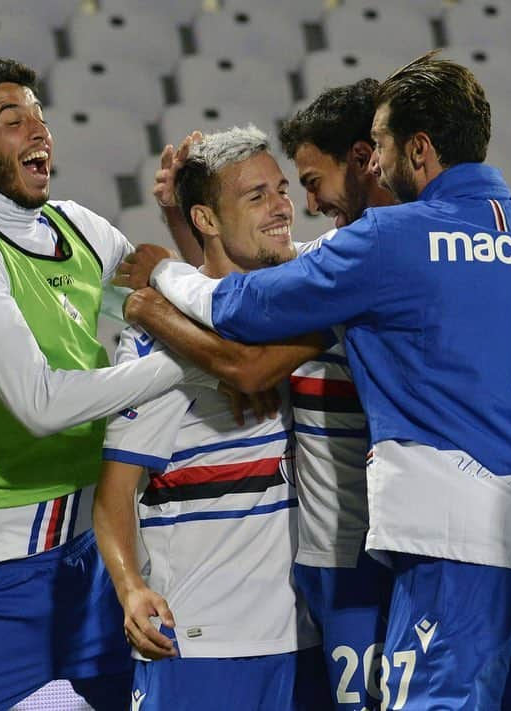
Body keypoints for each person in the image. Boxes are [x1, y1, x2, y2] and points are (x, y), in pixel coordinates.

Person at [117, 52, 511, 709]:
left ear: (418, 149)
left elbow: (243, 318)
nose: (372, 161)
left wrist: (161, 277)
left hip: (448, 553)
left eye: (379, 145)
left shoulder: (384, 244)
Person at [0, 58, 207, 710]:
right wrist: (188, 366)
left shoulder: (78, 227)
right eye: (14, 121)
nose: (40, 131)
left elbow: (180, 309)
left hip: (95, 558)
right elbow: (40, 405)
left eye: (40, 115)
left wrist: (186, 224)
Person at [93, 126, 332, 711]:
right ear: (206, 219)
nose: (282, 207)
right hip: (201, 641)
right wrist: (131, 588)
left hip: (304, 636)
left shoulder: (299, 307)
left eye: (281, 190)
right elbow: (114, 495)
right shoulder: (157, 341)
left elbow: (243, 352)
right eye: (257, 197)